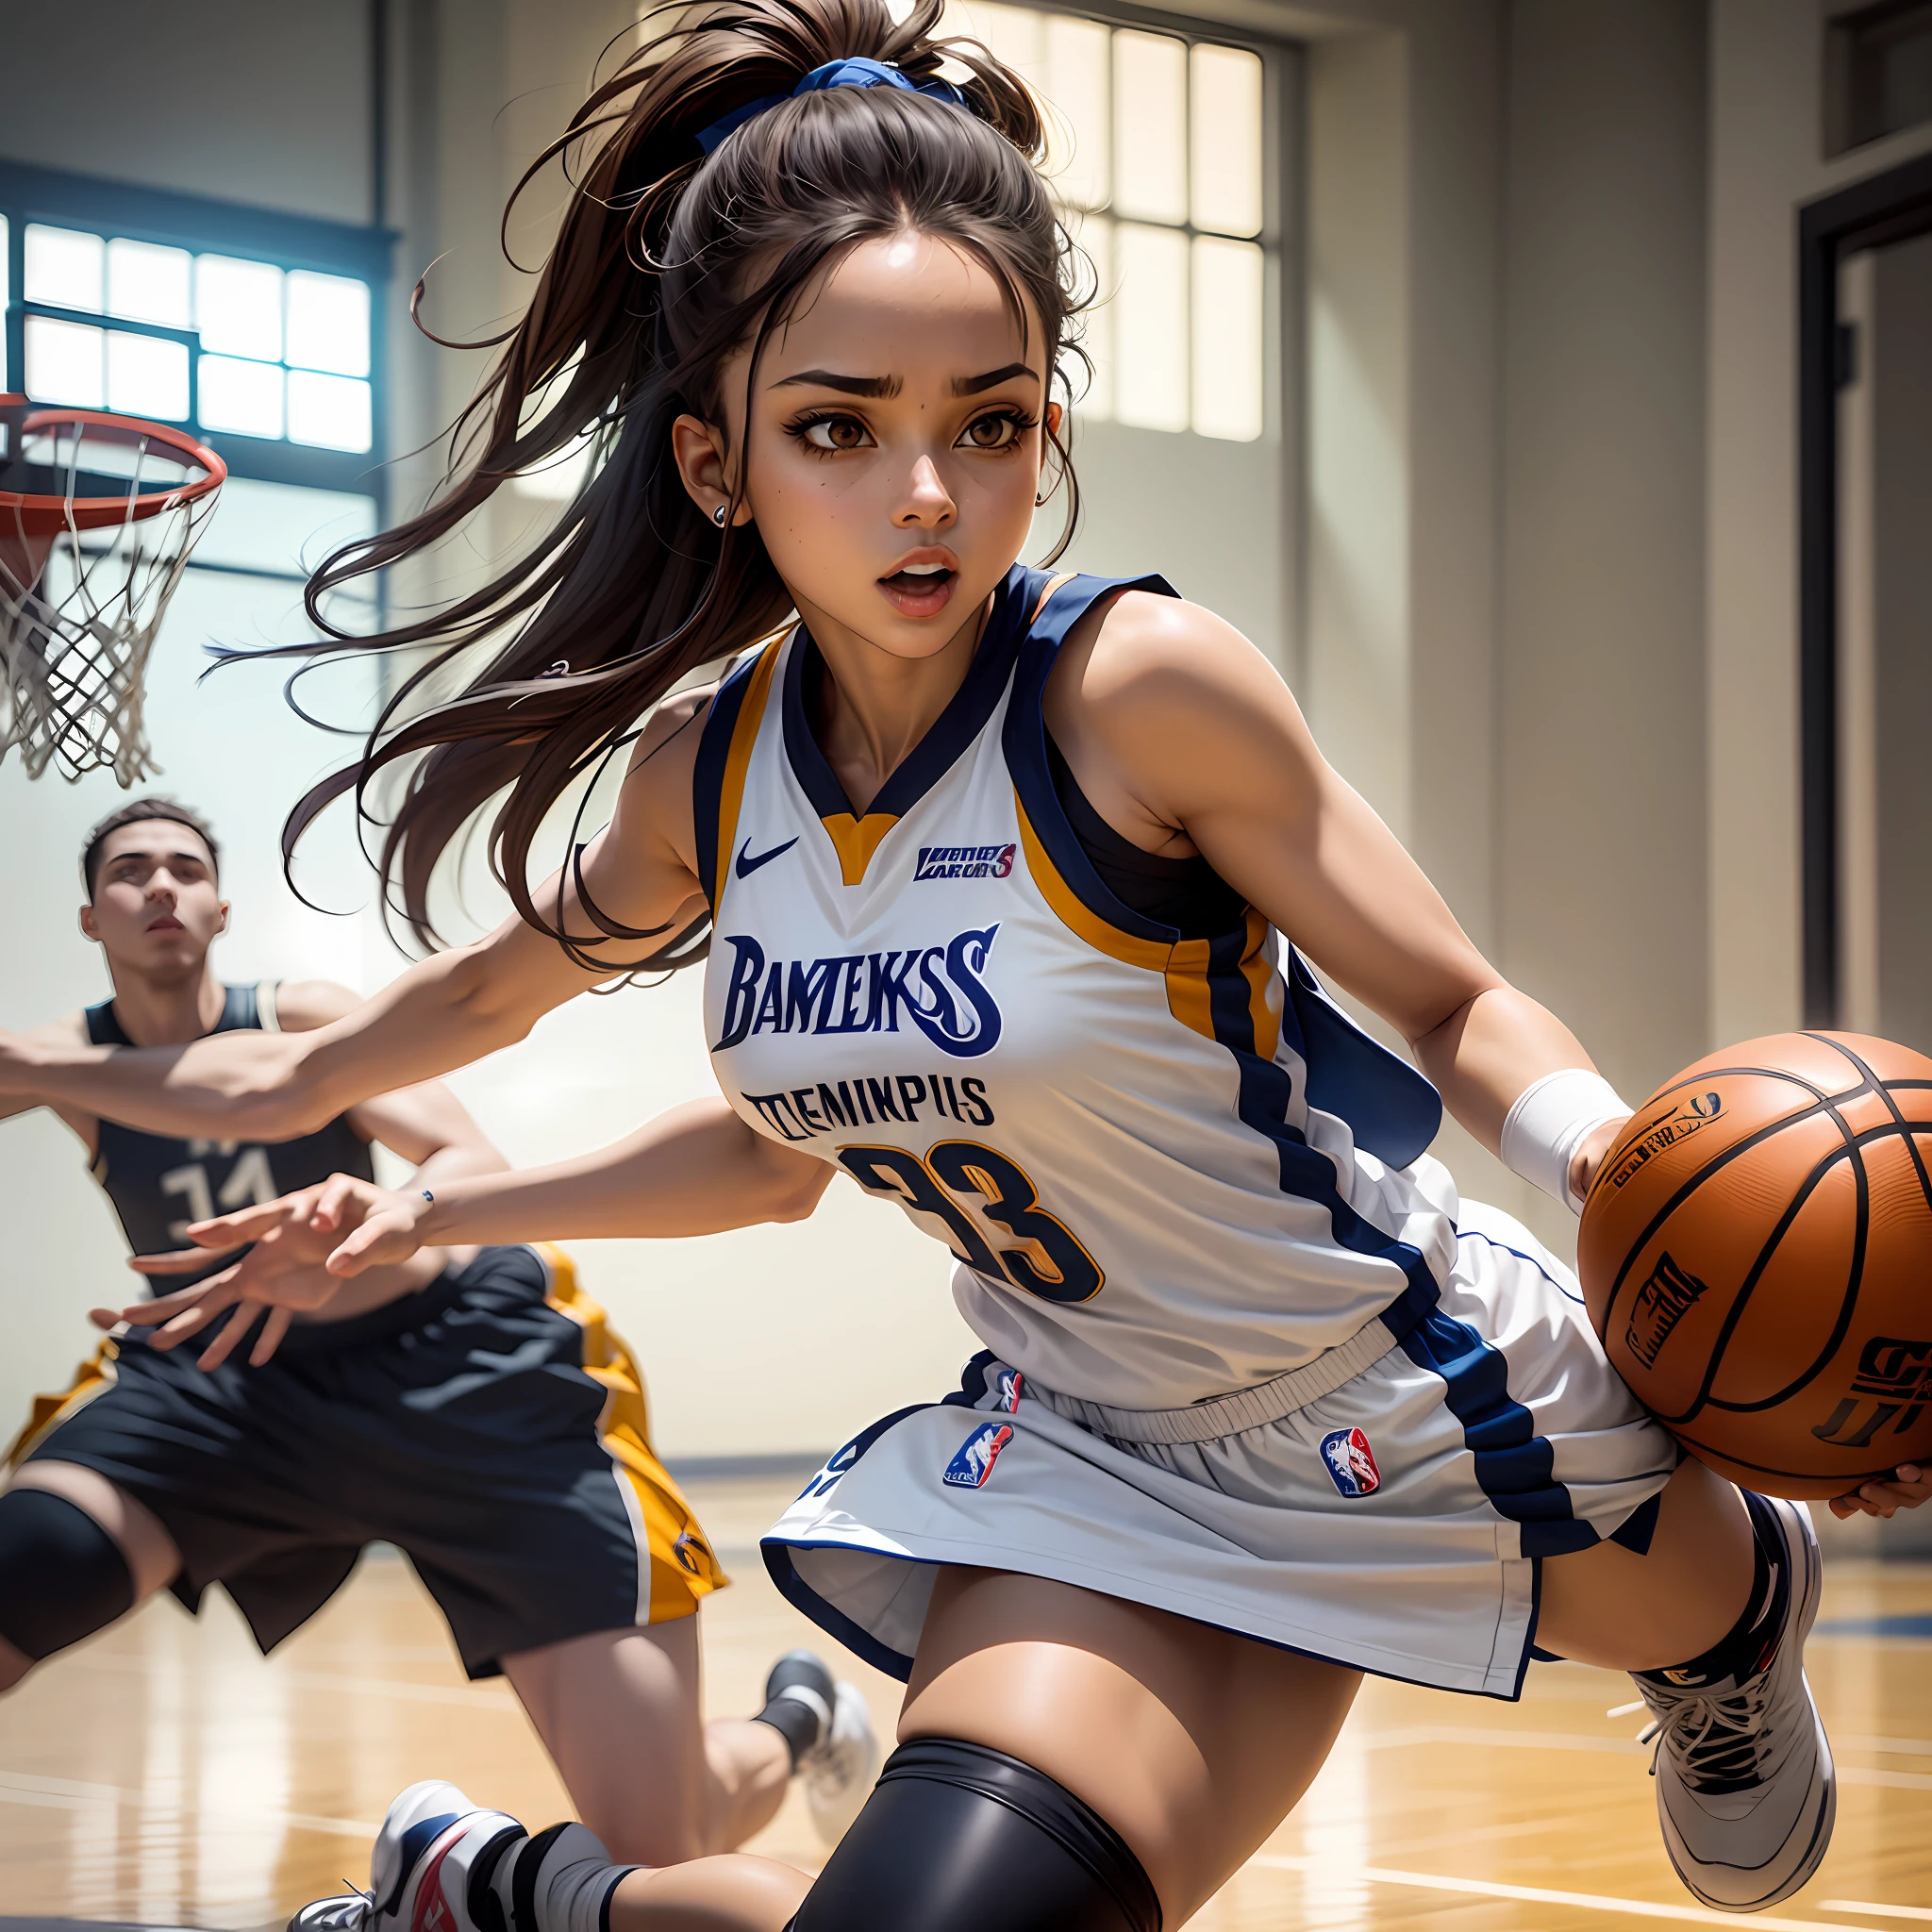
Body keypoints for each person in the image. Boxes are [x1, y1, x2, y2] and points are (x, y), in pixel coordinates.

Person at [10, 2, 1929, 1925]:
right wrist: (418, 1201)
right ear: (714, 460)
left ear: (1044, 431)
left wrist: (1602, 1159)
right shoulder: (709, 777)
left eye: (985, 423)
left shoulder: (1134, 690)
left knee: (1686, 1590)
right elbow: (750, 1152)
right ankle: (517, 1893)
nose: (925, 492)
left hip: (1407, 1378)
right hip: (1093, 1447)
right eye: (839, 427)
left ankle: (1723, 1616)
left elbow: (1442, 1003)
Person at [0, 797, 878, 1874]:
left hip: (456, 1373)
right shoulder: (53, 1060)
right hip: (223, 1387)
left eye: (186, 866)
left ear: (221, 909)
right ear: (91, 918)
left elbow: (468, 1162)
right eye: (132, 870)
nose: (161, 886)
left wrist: (368, 1222)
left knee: (664, 1841)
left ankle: (798, 1717)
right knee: (24, 1562)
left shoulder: (296, 1018)